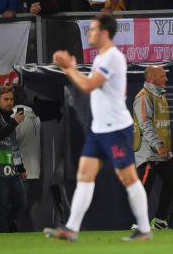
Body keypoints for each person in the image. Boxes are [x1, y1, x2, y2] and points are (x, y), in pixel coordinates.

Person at [43, 14, 151, 241]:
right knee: (85, 174)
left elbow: (89, 86)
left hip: (115, 129)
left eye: (91, 29)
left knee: (128, 177)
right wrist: (71, 69)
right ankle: (72, 228)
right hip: (99, 129)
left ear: (103, 33)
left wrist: (68, 68)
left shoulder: (112, 57)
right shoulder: (102, 57)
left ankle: (144, 228)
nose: (88, 33)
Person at [133, 66, 173, 230]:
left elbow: (161, 125)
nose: (166, 79)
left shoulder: (160, 95)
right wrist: (158, 145)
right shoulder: (143, 97)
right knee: (145, 186)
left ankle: (159, 220)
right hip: (148, 152)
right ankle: (138, 224)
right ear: (152, 78)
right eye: (162, 76)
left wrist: (165, 148)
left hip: (162, 152)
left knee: (172, 180)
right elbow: (145, 124)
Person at [0, 85, 27, 233]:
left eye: (11, 99)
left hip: (12, 172)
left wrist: (21, 168)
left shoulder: (10, 118)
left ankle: (2, 227)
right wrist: (14, 122)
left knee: (21, 204)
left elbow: (13, 146)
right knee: (1, 206)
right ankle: (1, 233)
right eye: (6, 99)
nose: (9, 102)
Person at [12, 84, 42, 231]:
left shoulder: (16, 114)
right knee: (24, 211)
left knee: (17, 212)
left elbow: (9, 141)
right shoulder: (35, 116)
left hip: (19, 171)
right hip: (34, 171)